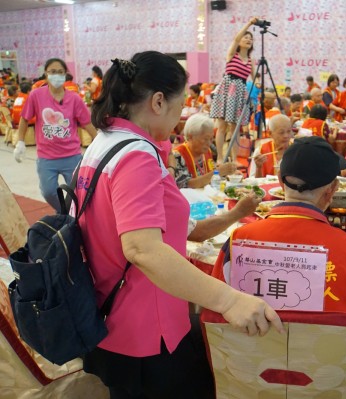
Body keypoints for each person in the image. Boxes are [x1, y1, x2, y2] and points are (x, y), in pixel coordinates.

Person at [76, 51, 282, 398]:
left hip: (110, 312)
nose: (181, 114)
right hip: (142, 327)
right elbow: (142, 248)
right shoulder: (136, 155)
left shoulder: (105, 143)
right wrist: (228, 300)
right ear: (158, 101)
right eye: (180, 103)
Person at [212, 135, 346, 379]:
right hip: (327, 383)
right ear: (332, 191)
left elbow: (214, 315)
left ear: (279, 181)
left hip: (249, 378)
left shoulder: (237, 242)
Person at [13, 57, 97, 212]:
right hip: (47, 157)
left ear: (65, 74)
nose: (56, 75)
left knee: (79, 193)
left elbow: (87, 123)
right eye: (52, 72)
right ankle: (64, 212)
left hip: (71, 155)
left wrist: (100, 144)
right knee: (48, 191)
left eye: (60, 72)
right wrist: (20, 142)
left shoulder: (74, 99)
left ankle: (75, 217)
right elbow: (25, 119)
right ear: (46, 74)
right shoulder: (36, 95)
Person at [210, 17, 257, 164]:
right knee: (222, 126)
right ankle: (219, 157)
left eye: (251, 38)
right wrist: (249, 23)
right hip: (227, 90)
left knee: (236, 128)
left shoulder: (250, 61)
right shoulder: (232, 54)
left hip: (240, 92)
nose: (248, 39)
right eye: (246, 37)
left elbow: (256, 79)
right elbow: (236, 38)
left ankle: (234, 159)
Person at [172, 113, 237, 189]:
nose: (209, 143)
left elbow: (210, 175)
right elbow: (186, 184)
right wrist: (218, 172)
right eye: (205, 139)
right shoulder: (178, 155)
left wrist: (227, 172)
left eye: (211, 139)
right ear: (190, 137)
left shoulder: (206, 152)